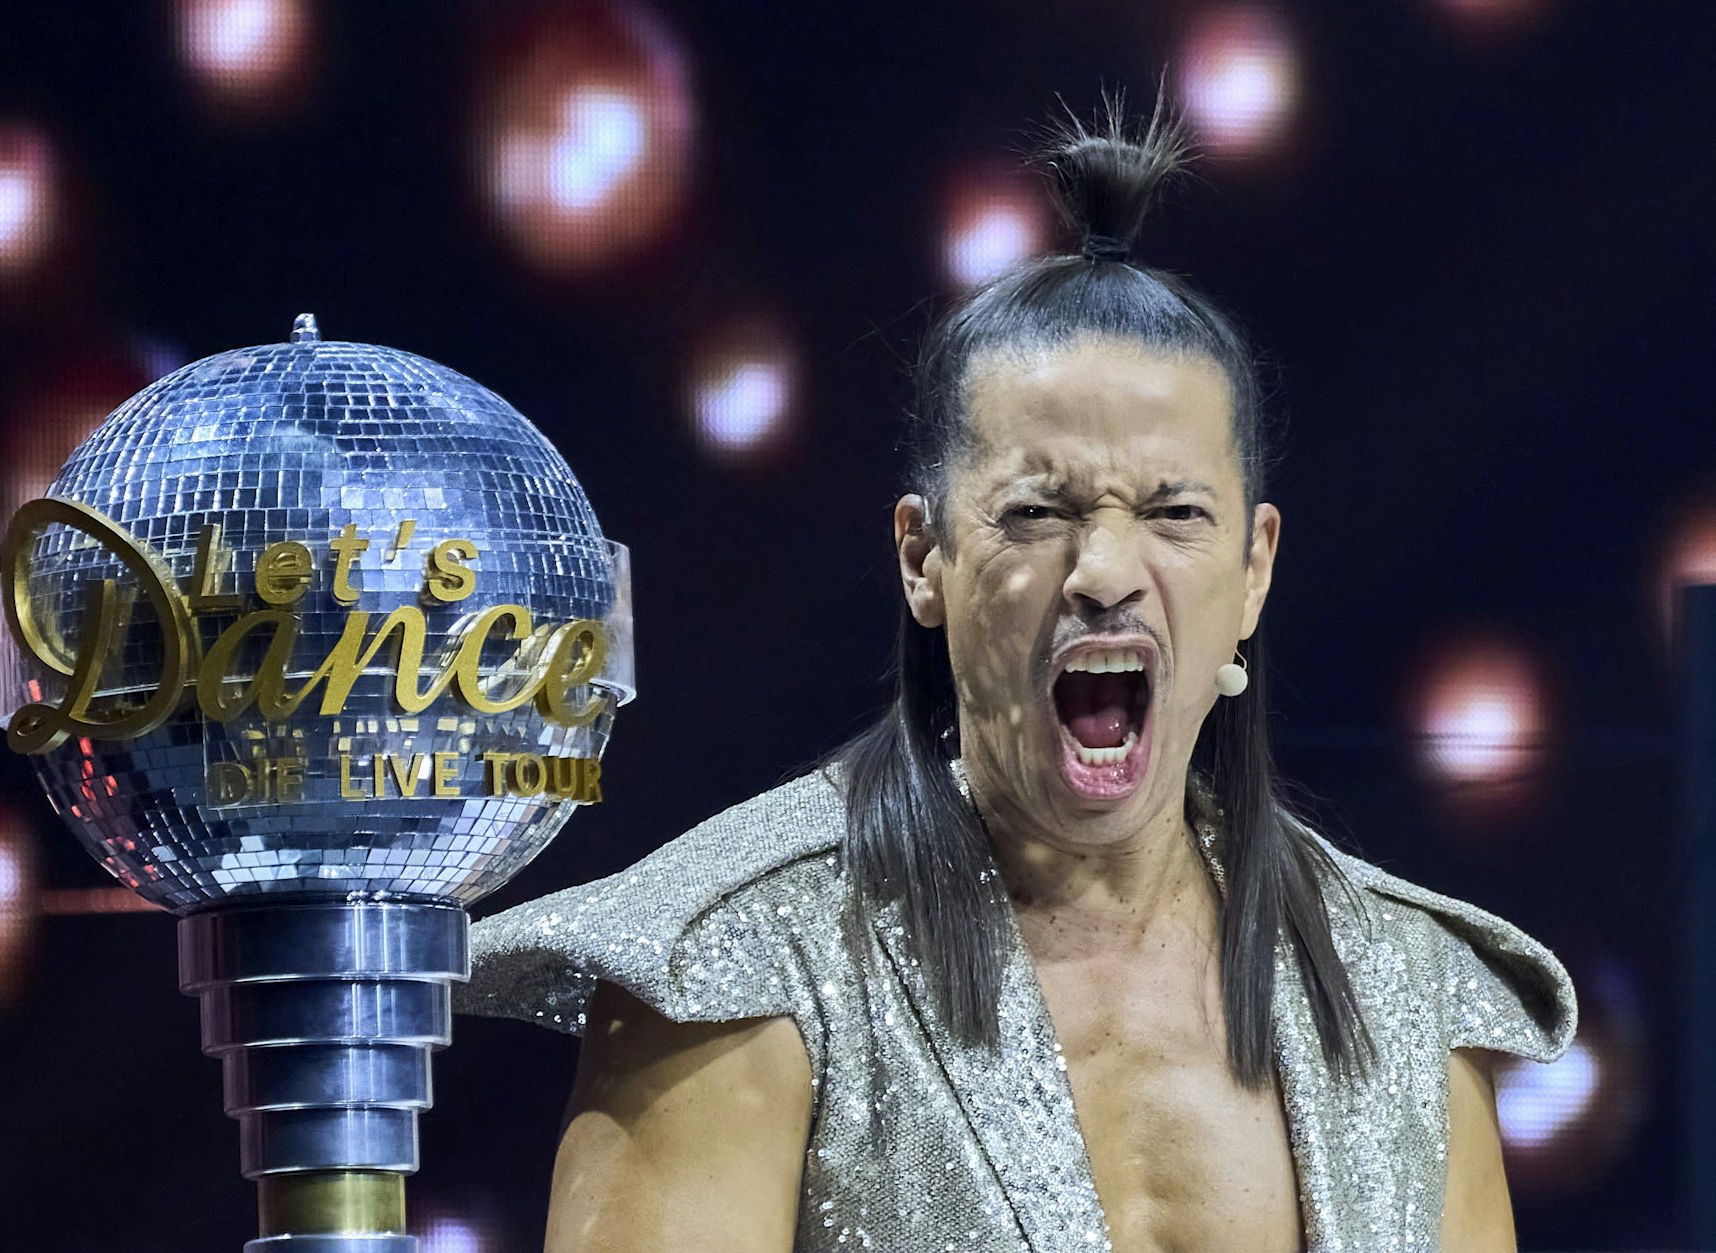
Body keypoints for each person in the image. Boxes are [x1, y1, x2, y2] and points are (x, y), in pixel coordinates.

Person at [453, 95, 1575, 1252]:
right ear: (921, 558)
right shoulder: (727, 962)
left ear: (1253, 569)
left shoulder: (1405, 987)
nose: (1100, 570)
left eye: (1172, 513)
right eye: (1035, 512)